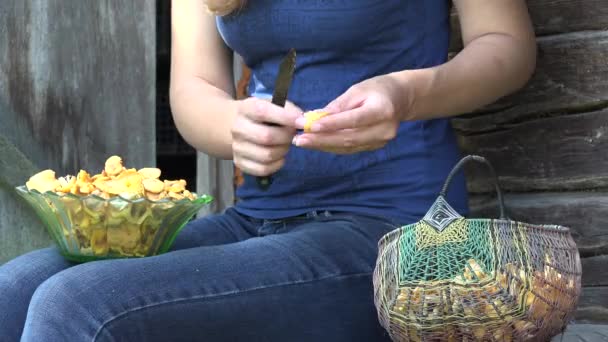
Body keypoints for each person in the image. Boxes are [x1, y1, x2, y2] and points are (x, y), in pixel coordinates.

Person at [0, 0, 536, 341]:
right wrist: (233, 126)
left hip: (396, 236)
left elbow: (507, 47)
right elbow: (194, 89)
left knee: (77, 305)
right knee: (14, 289)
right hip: (256, 219)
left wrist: (406, 94)